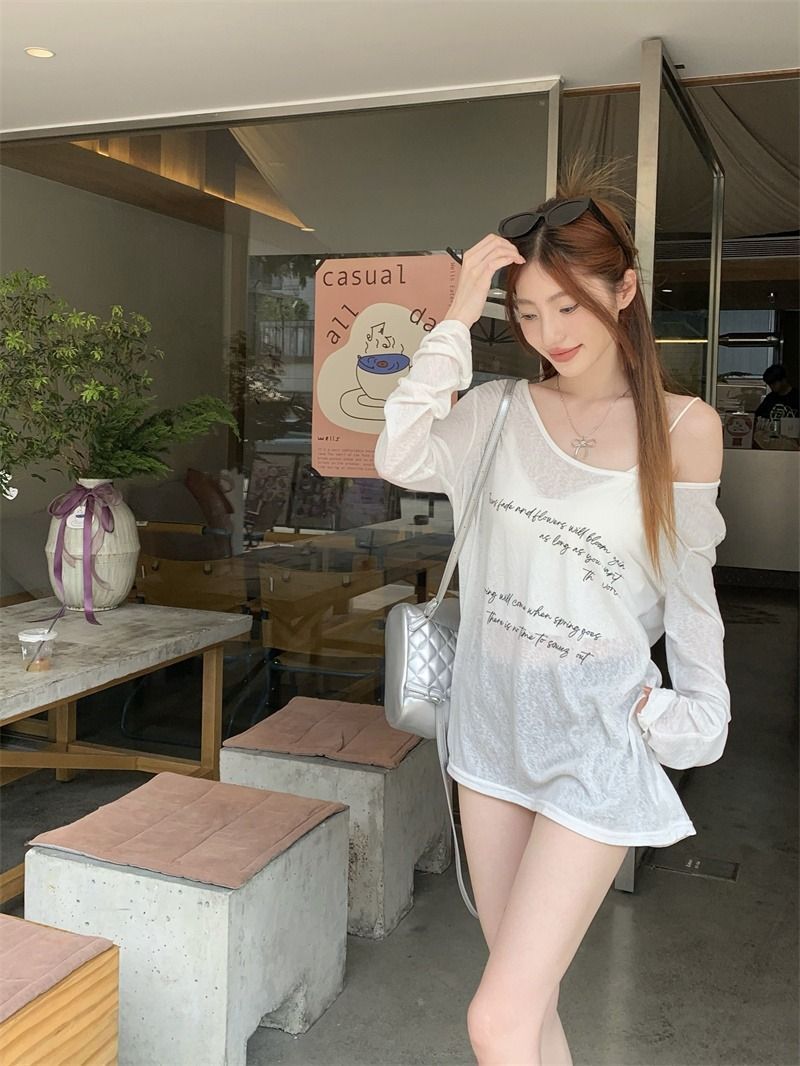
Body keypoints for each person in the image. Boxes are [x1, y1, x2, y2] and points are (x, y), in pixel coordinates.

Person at [374, 160, 731, 1065]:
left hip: (595, 738)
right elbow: (399, 452)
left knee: (495, 1020)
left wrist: (695, 713)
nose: (549, 333)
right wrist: (458, 314)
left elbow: (693, 598)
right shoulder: (495, 413)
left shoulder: (683, 428)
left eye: (569, 306)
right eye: (528, 313)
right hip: (490, 730)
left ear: (625, 291)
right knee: (527, 1010)